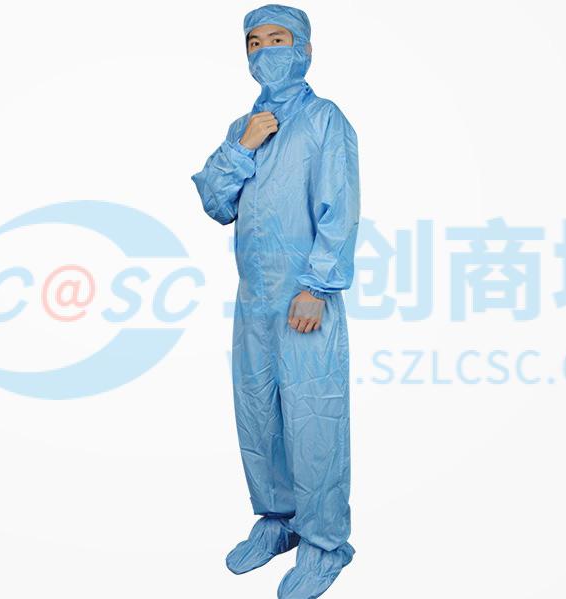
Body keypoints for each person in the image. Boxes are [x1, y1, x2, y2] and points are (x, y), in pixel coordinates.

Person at [191, 4, 360, 597]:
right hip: (254, 299)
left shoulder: (324, 120)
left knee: (314, 419)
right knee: (259, 413)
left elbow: (339, 206)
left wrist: (317, 286)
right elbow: (217, 203)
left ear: (305, 49)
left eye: (278, 39)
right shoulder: (245, 124)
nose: (266, 51)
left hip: (305, 295)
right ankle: (277, 520)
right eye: (254, 42)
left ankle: (324, 542)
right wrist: (243, 145)